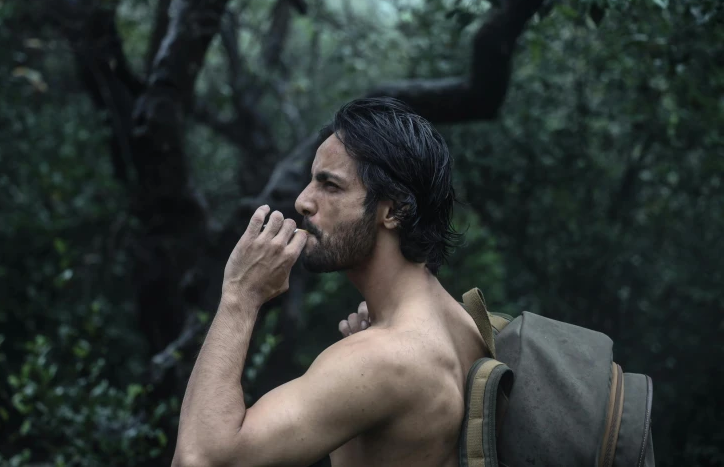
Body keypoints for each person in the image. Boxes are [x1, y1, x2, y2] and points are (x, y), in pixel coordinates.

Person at [172, 97, 489, 467]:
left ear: (393, 210)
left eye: (330, 185)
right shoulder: (464, 326)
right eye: (311, 180)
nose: (303, 201)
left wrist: (241, 296)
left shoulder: (381, 359)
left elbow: (197, 459)